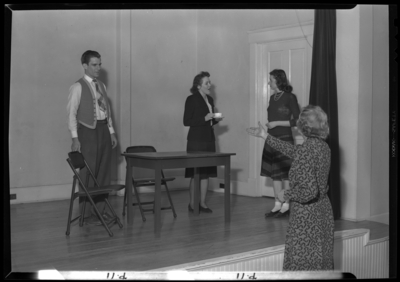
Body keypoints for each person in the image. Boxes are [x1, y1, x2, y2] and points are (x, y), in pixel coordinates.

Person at [246, 105, 334, 271]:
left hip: (307, 217)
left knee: (302, 266)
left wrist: (284, 193)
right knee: (321, 264)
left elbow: (308, 191)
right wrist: (265, 136)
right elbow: (296, 152)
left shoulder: (307, 150)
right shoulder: (323, 146)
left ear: (302, 126)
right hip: (323, 211)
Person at [67, 50, 118, 225]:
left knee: (103, 173)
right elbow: (71, 114)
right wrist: (75, 138)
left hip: (104, 131)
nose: (98, 68)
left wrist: (111, 132)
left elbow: (106, 112)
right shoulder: (77, 87)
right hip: (87, 133)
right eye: (94, 65)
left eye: (99, 64)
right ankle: (86, 214)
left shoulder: (102, 86)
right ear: (85, 66)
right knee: (88, 173)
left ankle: (101, 211)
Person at [183, 71, 224, 213]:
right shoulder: (191, 99)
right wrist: (205, 118)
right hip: (196, 141)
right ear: (199, 86)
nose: (209, 85)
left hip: (209, 140)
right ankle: (193, 204)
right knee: (196, 173)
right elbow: (186, 121)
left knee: (206, 173)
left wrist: (214, 120)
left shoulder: (210, 100)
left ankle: (203, 204)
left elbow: (209, 122)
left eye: (209, 82)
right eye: (207, 83)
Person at [262, 69, 300, 218]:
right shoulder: (272, 98)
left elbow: (297, 120)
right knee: (275, 175)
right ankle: (277, 205)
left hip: (285, 138)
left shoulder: (290, 97)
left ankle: (286, 205)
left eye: (271, 80)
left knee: (287, 175)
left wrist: (276, 122)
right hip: (271, 138)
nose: (269, 82)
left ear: (278, 81)